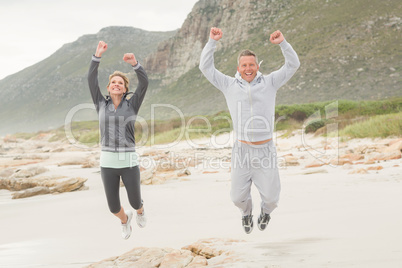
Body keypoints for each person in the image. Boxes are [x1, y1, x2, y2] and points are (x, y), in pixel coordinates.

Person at [199, 28, 300, 234]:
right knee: (237, 197)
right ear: (239, 67)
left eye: (251, 65)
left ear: (257, 66)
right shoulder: (228, 84)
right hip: (242, 151)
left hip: (265, 151)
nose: (248, 68)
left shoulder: (270, 82)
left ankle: (265, 212)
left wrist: (283, 43)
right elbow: (206, 67)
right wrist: (212, 42)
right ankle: (246, 213)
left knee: (272, 198)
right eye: (244, 65)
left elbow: (293, 65)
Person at [87, 41, 148, 239]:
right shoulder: (100, 104)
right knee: (113, 207)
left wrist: (135, 63)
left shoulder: (132, 105)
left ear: (124, 89)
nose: (116, 84)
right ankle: (125, 220)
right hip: (107, 161)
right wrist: (97, 55)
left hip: (128, 160)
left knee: (135, 201)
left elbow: (145, 83)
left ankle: (139, 211)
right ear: (108, 87)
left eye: (120, 83)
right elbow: (91, 79)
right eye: (113, 82)